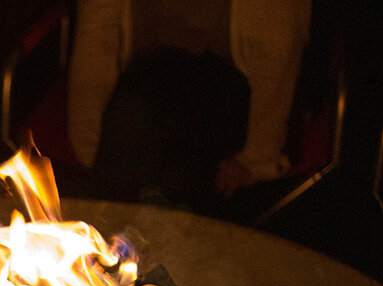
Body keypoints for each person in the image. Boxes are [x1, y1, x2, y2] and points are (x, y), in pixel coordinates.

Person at [65, 0, 311, 205]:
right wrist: (91, 145)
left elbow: (278, 53)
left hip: (227, 84)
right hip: (143, 79)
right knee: (132, 119)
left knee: (181, 167)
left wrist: (254, 159)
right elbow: (95, 42)